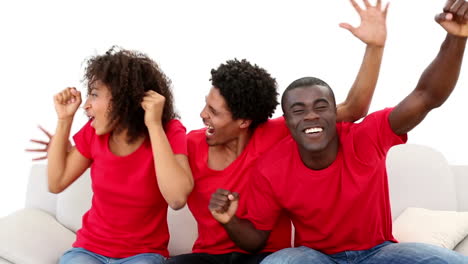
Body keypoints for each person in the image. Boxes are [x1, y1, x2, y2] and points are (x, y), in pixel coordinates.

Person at [28, 0, 388, 262]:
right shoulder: (188, 143)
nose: (203, 115)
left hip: (264, 256)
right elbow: (123, 161)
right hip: (206, 258)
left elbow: (351, 111)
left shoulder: (276, 134)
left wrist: (374, 47)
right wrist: (68, 139)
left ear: (245, 121)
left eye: (214, 112)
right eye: (205, 104)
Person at [208, 1, 468, 263]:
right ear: (286, 121)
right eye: (299, 110)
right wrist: (230, 220)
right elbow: (255, 240)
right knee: (281, 261)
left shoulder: (366, 136)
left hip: (378, 252)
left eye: (321, 107)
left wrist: (455, 39)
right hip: (315, 257)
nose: (311, 115)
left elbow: (426, 96)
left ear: (336, 113)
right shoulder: (271, 168)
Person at [48, 47, 193, 264]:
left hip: (143, 255)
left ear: (124, 100)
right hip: (88, 251)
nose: (86, 105)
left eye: (95, 95)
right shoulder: (93, 133)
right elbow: (56, 183)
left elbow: (177, 198)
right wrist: (64, 120)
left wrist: (153, 124)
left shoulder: (169, 131)